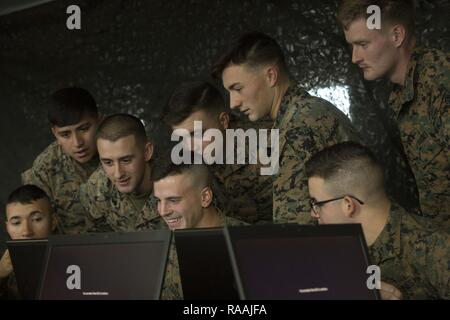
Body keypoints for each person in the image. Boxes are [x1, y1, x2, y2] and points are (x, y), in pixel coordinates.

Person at [212, 31, 359, 224]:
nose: (233, 103)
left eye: (238, 88)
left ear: (271, 76)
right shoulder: (304, 112)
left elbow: (295, 230)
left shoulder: (298, 126)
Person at [338, 0, 449, 227]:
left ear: (397, 36)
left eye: (363, 44)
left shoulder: (439, 80)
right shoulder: (402, 91)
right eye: (352, 46)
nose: (355, 57)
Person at [305, 141, 449, 300]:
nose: (313, 213)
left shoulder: (435, 248)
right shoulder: (336, 251)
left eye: (316, 204)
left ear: (348, 205)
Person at [164, 81, 272, 224]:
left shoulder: (268, 146)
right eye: (181, 138)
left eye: (197, 134)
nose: (189, 147)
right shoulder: (188, 163)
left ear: (223, 120)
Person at [153, 160, 247, 300]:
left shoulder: (247, 243)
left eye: (173, 200)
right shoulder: (162, 248)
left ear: (205, 197)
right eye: (159, 201)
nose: (162, 211)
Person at [22, 87, 100, 234]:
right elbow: (35, 230)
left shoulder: (121, 152)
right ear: (54, 133)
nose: (77, 143)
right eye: (65, 134)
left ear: (99, 120)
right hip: (68, 254)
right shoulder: (45, 167)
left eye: (84, 129)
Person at [80, 114, 160, 232]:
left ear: (147, 152)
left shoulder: (176, 183)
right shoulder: (96, 189)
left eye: (126, 160)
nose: (118, 174)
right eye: (108, 162)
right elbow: (96, 245)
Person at [0, 185, 57, 299]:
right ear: (7, 228)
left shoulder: (75, 260)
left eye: (36, 219)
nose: (26, 231)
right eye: (16, 222)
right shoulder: (2, 265)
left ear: (54, 221)